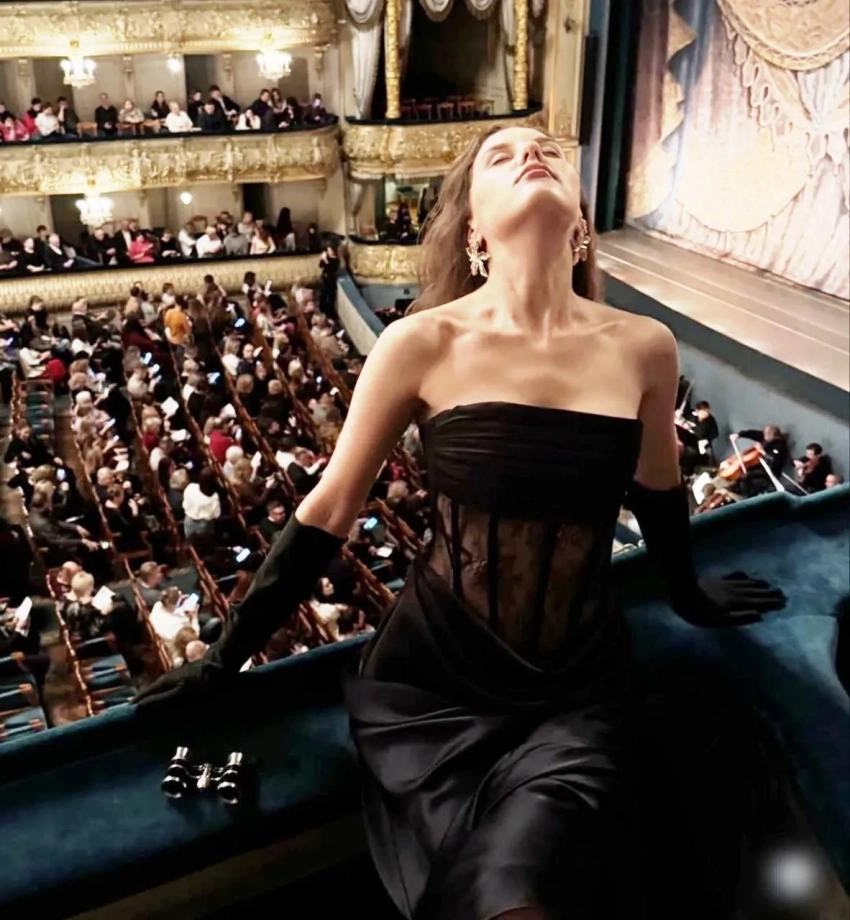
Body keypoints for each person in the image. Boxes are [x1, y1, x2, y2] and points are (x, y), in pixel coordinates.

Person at [136, 127, 789, 919]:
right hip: (432, 682)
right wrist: (222, 658)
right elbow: (329, 511)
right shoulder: (421, 342)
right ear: (474, 229)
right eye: (501, 156)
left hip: (576, 684)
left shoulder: (646, 347)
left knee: (525, 876)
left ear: (582, 219)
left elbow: (660, 488)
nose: (532, 155)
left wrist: (687, 592)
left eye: (547, 149)